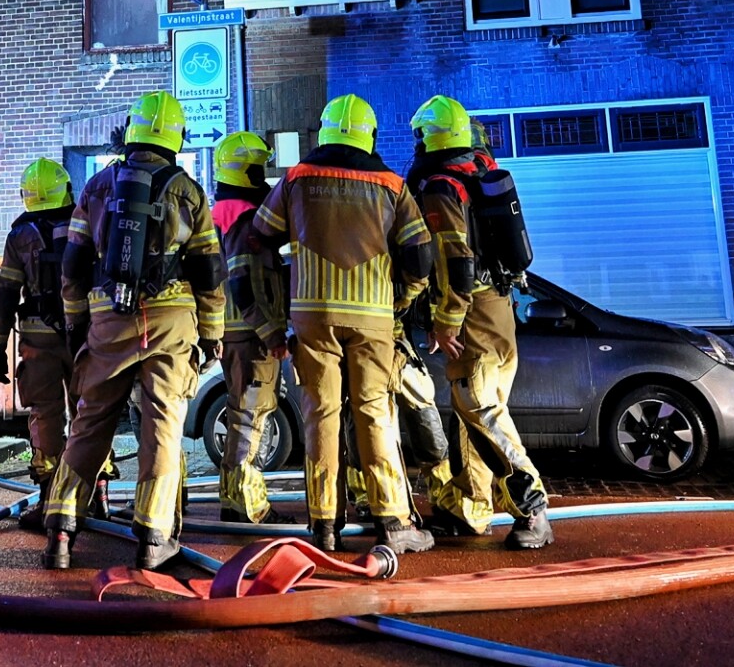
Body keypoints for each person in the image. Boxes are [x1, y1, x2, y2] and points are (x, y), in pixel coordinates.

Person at [42, 90, 224, 571]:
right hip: (169, 323)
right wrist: (212, 332)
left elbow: (75, 262)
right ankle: (152, 538)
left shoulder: (97, 187)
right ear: (176, 137)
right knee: (162, 426)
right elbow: (208, 269)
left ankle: (60, 531)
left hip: (108, 319)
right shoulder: (187, 189)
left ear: (131, 130)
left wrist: (76, 321)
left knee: (90, 421)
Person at [248, 95, 435, 555]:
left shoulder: (297, 178)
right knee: (374, 412)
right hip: (373, 317)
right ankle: (392, 523)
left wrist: (278, 309)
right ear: (368, 135)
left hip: (312, 314)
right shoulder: (392, 185)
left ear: (325, 131)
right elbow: (420, 256)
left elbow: (260, 236)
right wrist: (400, 299)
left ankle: (324, 525)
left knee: (321, 415)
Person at [408, 95, 552, 549]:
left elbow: (456, 259)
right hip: (499, 310)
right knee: (474, 413)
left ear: (428, 137)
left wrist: (446, 321)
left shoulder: (441, 187)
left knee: (481, 410)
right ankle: (472, 509)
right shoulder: (478, 174)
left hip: (473, 314)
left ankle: (533, 507)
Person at [0, 158, 78, 526]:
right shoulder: (84, 225)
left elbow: (6, 294)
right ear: (65, 189)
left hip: (38, 339)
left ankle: (51, 502)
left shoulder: (19, 236)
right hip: (83, 334)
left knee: (45, 415)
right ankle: (97, 495)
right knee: (90, 413)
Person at [214, 131, 288, 525]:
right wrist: (270, 330)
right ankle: (248, 505)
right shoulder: (244, 218)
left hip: (232, 331)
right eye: (259, 169)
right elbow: (243, 279)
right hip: (250, 333)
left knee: (241, 411)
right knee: (251, 416)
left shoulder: (221, 211)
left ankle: (232, 498)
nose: (265, 178)